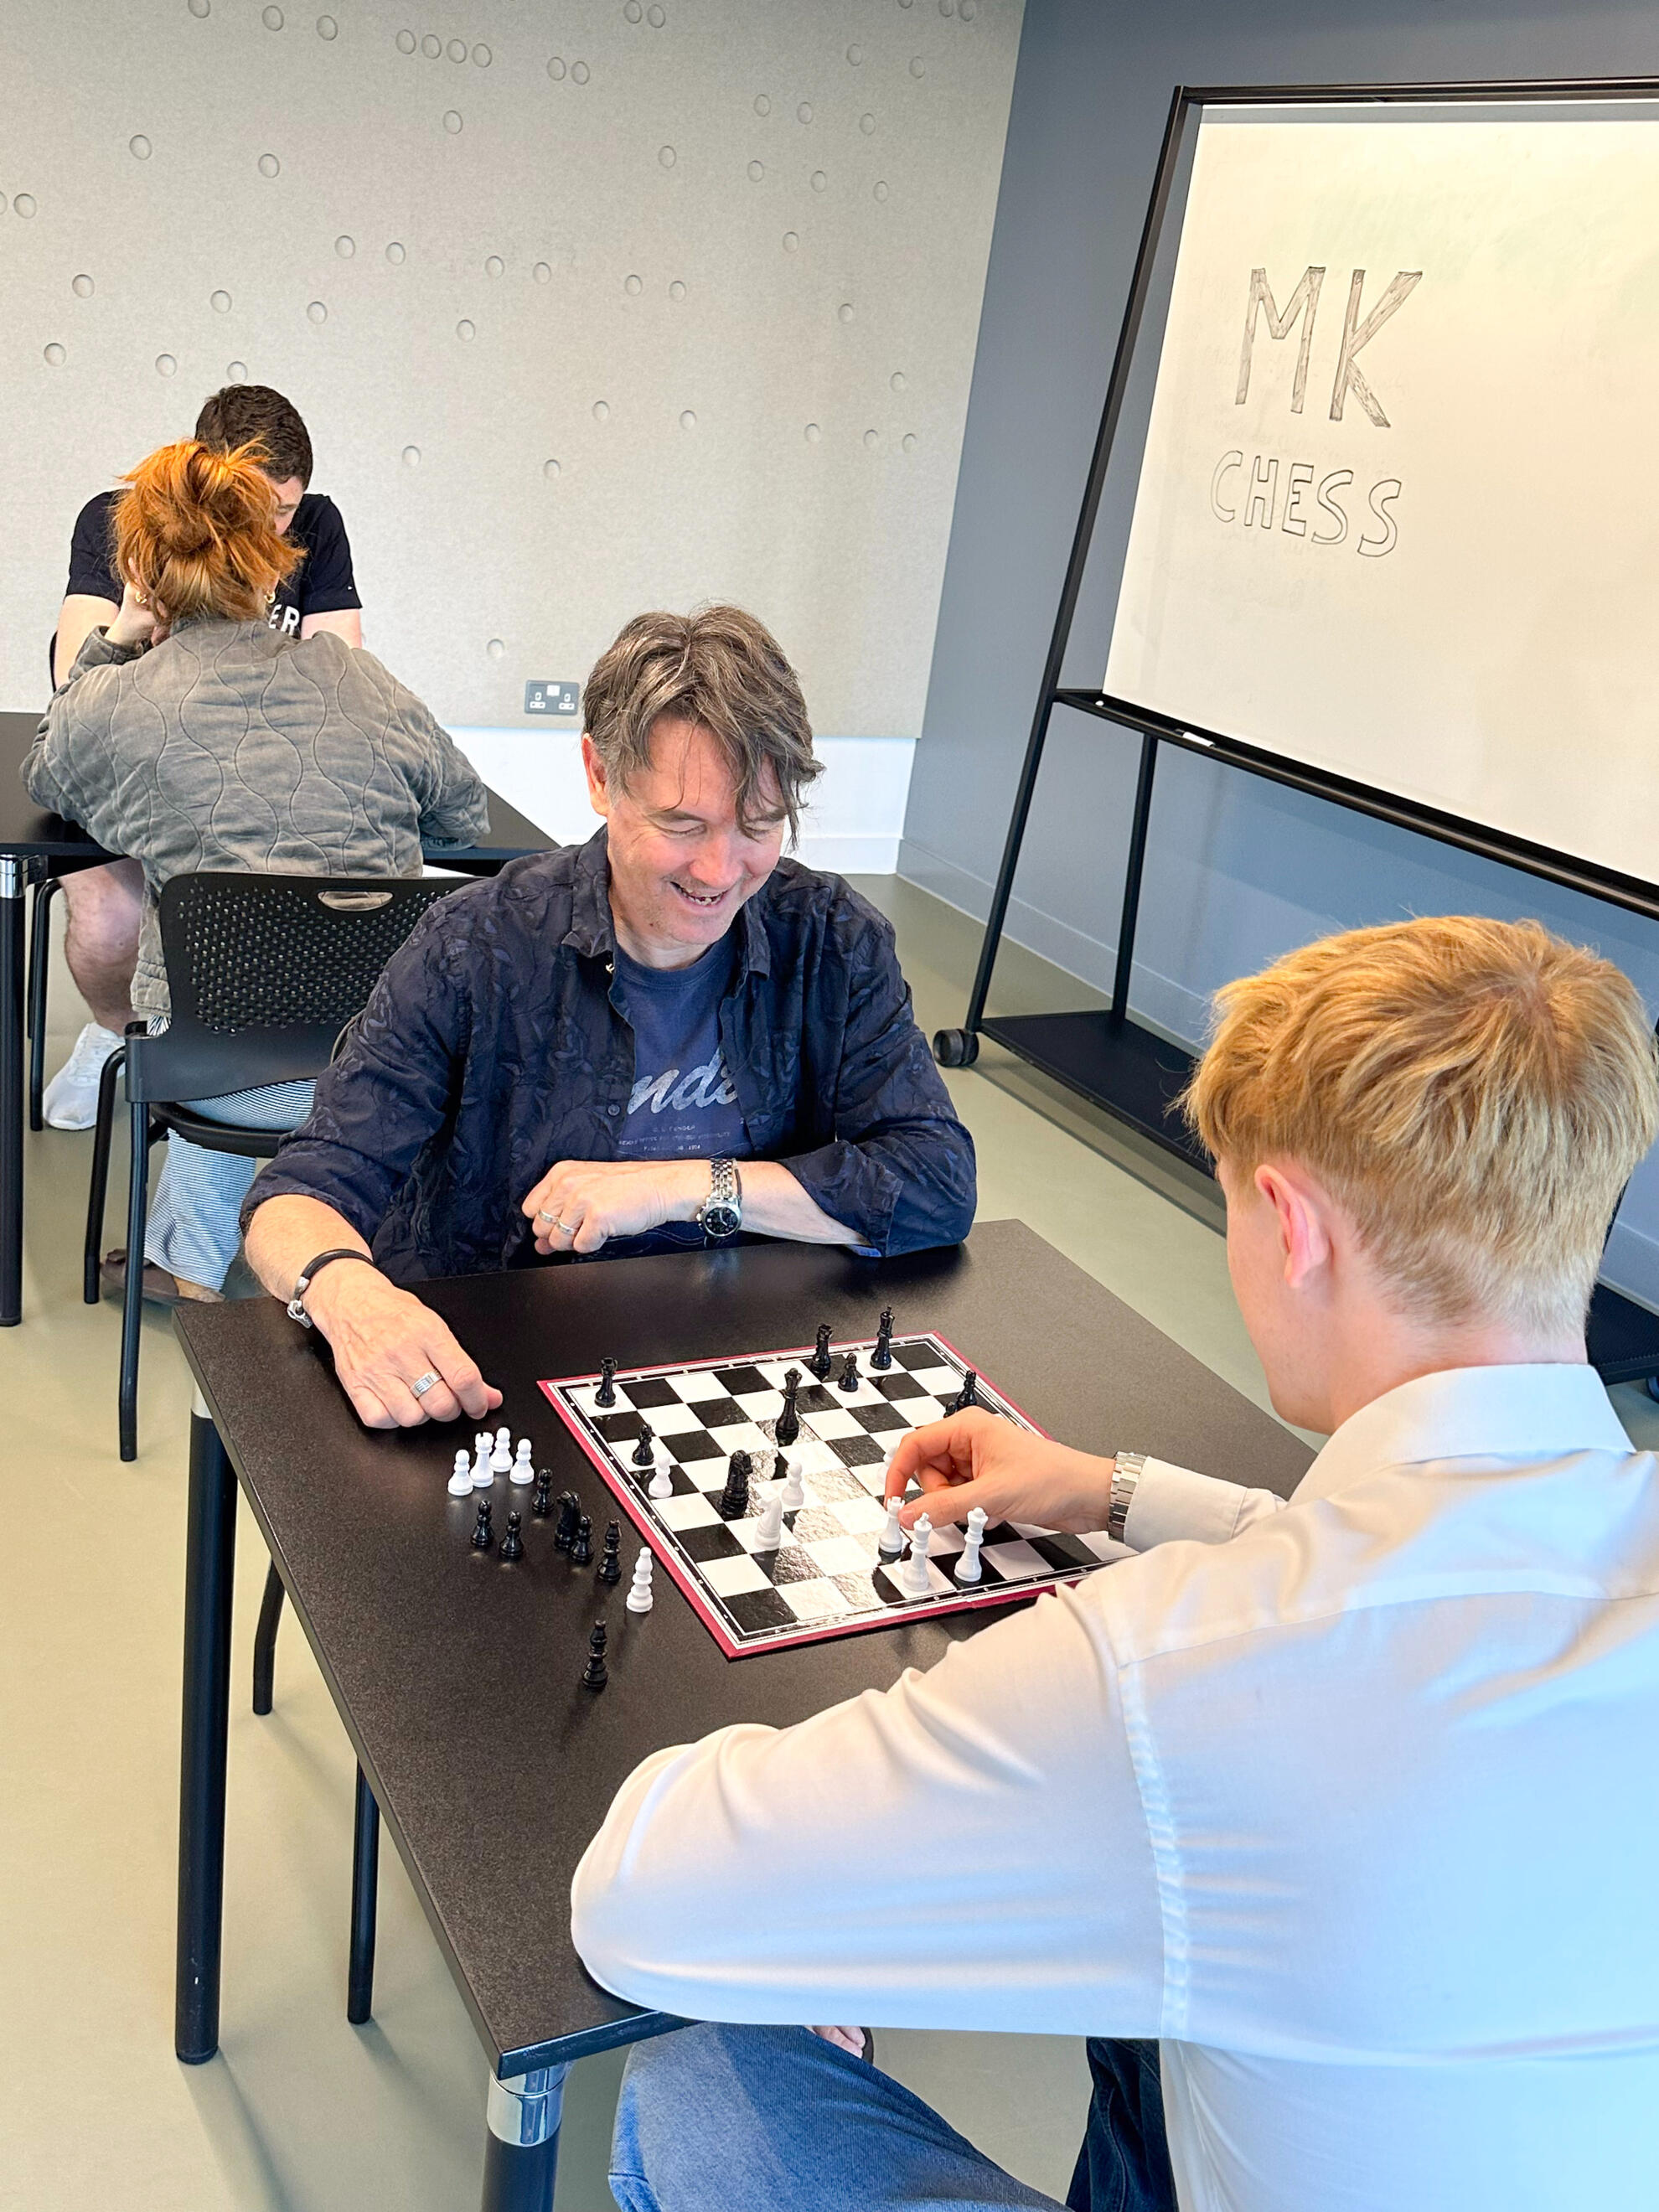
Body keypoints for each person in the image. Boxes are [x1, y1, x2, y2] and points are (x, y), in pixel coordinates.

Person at [571, 915, 1659, 2212]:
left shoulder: (1172, 1667)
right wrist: (1111, 1490)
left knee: (698, 2076)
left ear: (1291, 1227)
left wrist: (818, 1925)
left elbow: (637, 1901)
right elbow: (1418, 1573)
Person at [241, 604, 976, 1432]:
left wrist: (682, 1186)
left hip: (747, 1363)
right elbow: (297, 1194)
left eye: (759, 826)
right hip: (513, 1365)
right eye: (682, 825)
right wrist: (347, 1293)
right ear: (599, 775)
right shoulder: (477, 947)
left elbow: (936, 1185)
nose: (719, 871)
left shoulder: (831, 941)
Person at [25, 437, 487, 1304]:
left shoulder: (121, 704)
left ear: (142, 571)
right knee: (280, 995)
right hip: (384, 1065)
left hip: (212, 1074)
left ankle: (189, 1274)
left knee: (224, 1000)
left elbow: (48, 772)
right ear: (272, 564)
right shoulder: (361, 679)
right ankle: (298, 1248)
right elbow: (462, 817)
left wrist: (117, 637)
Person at [44, 385, 365, 1130]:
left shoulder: (316, 526)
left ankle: (237, 1062)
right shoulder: (118, 519)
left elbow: (339, 676)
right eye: (260, 507)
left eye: (287, 509)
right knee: (110, 920)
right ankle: (115, 1035)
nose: (275, 529)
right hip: (136, 766)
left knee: (281, 906)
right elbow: (74, 683)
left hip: (254, 779)